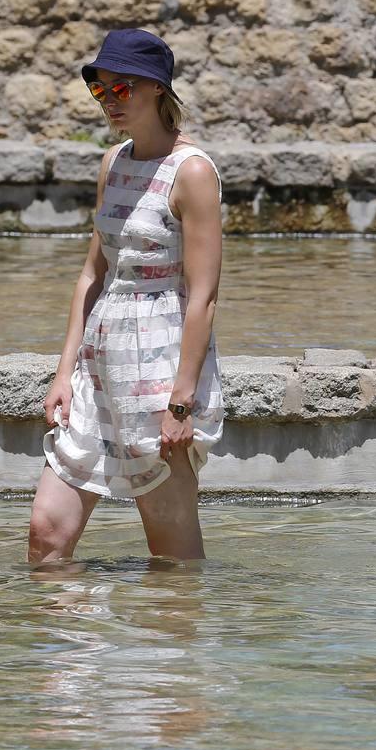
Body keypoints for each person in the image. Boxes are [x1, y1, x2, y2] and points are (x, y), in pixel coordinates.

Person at [28, 29, 224, 564]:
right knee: (47, 532)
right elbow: (92, 274)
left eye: (123, 89)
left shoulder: (193, 173)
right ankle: (72, 648)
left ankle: (174, 640)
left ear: (158, 89)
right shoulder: (113, 163)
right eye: (101, 91)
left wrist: (181, 401)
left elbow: (204, 294)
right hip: (99, 361)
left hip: (160, 367)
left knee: (172, 553)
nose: (110, 101)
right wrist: (64, 372)